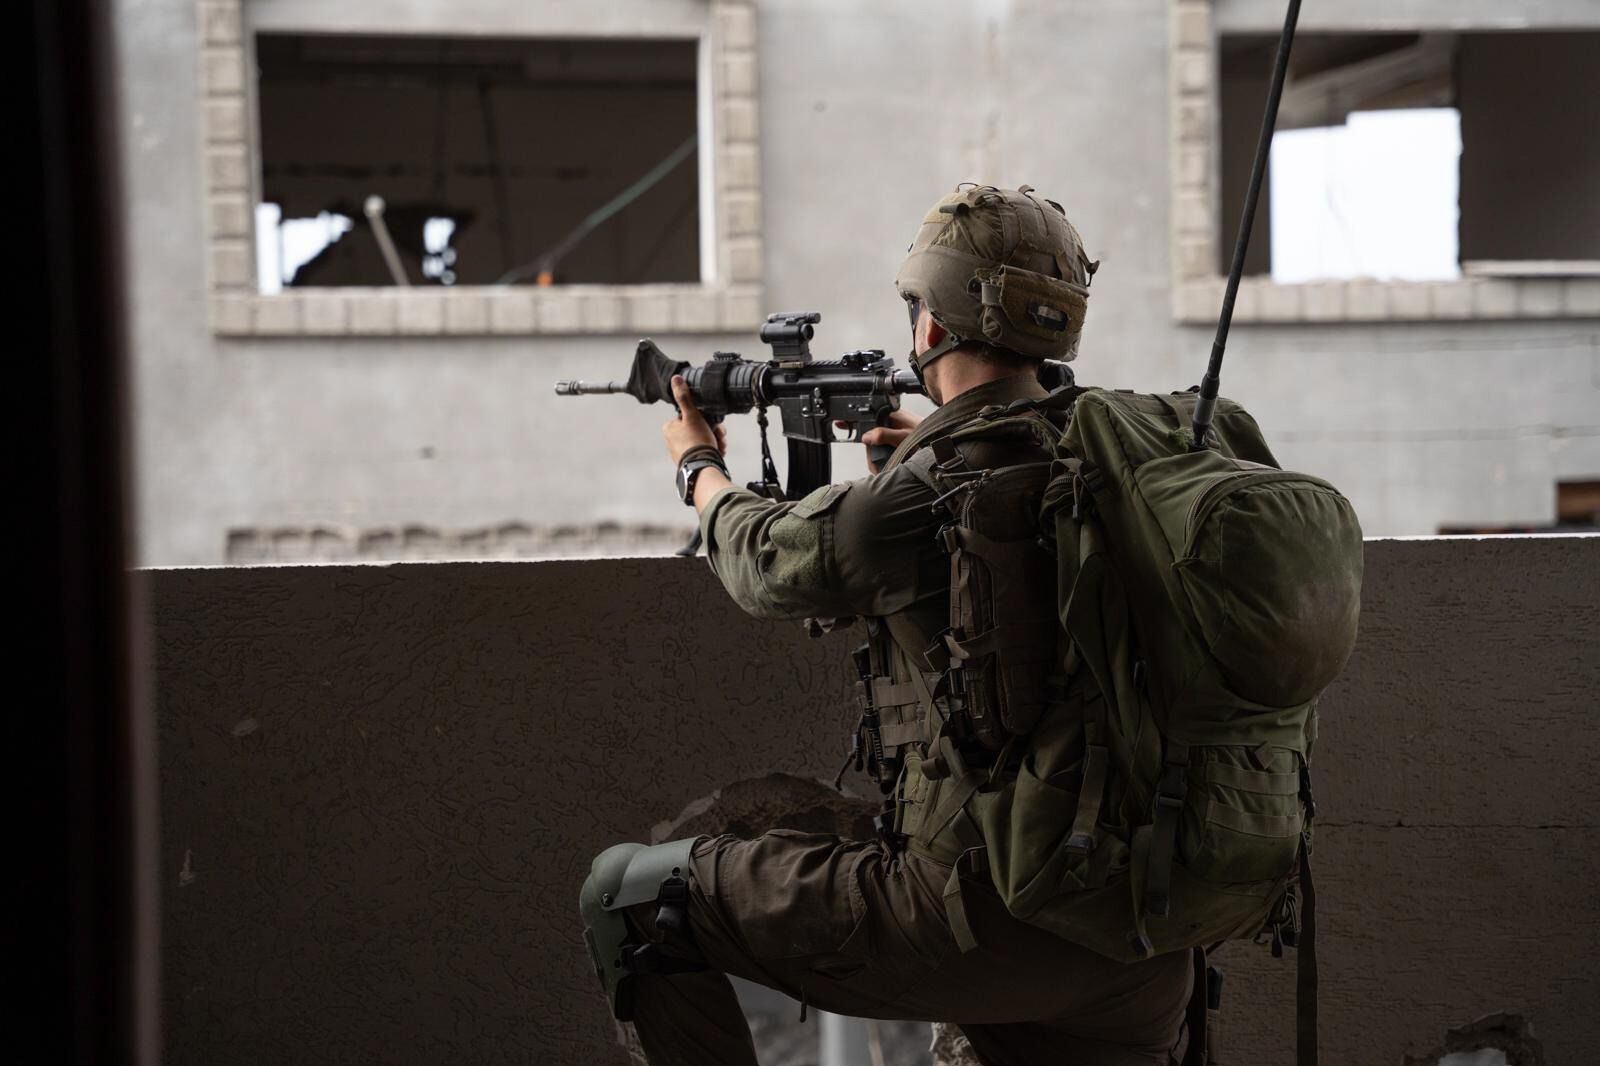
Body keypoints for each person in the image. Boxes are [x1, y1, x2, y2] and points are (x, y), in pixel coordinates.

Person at [579, 185, 1193, 1066]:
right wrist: (922, 452)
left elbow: (764, 561)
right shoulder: (1119, 460)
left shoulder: (920, 498)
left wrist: (699, 468)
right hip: (1141, 931)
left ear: (932, 329)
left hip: (982, 919)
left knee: (625, 896)